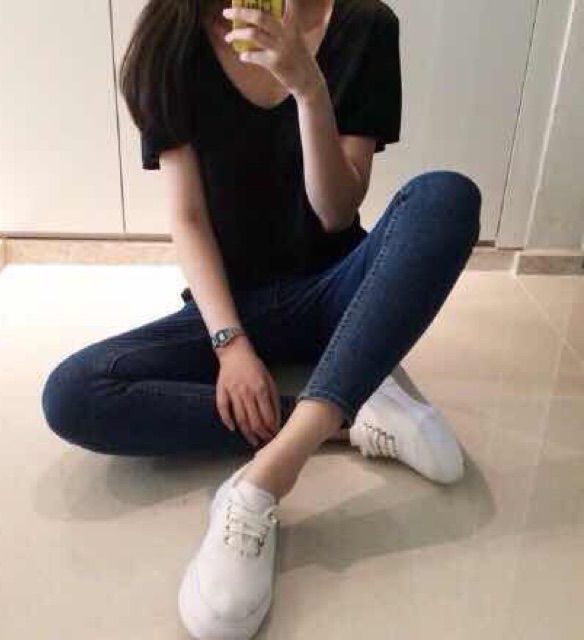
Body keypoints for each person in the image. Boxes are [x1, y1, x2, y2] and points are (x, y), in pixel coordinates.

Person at [41, 0, 482, 638]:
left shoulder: (364, 25)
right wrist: (230, 344)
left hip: (337, 290)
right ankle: (349, 417)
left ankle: (264, 479)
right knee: (74, 393)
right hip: (233, 304)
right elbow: (188, 218)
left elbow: (334, 212)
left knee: (445, 197)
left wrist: (309, 87)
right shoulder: (172, 37)